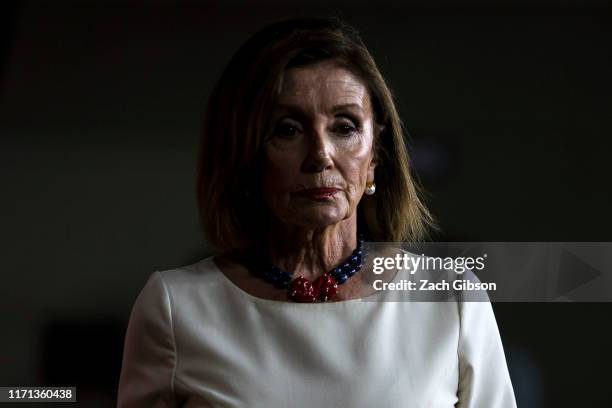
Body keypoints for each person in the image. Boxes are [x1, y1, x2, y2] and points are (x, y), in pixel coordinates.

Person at [117, 17, 517, 407]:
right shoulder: (175, 307)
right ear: (244, 154)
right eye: (288, 129)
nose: (320, 155)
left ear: (375, 155)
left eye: (344, 127)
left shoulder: (453, 299)